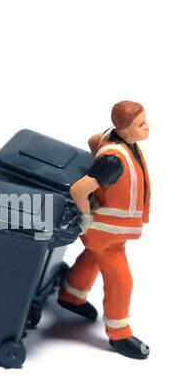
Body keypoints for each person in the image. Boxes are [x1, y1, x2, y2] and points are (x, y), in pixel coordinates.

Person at [57, 100, 151, 359]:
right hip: (104, 230)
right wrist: (86, 216)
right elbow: (78, 189)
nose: (148, 127)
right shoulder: (114, 161)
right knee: (122, 281)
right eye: (141, 125)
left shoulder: (116, 139)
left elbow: (93, 139)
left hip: (108, 231)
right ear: (124, 128)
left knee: (93, 259)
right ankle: (119, 334)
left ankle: (70, 294)